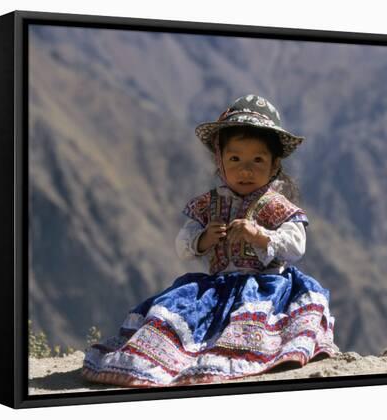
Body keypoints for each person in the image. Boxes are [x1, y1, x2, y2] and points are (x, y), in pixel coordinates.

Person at [81, 94, 339, 387]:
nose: (246, 170)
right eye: (235, 159)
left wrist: (261, 235)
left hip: (267, 287)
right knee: (176, 323)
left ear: (274, 164)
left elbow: (297, 245)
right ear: (220, 161)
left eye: (258, 160)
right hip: (216, 288)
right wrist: (203, 240)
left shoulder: (277, 206)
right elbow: (183, 245)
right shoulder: (208, 205)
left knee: (253, 330)